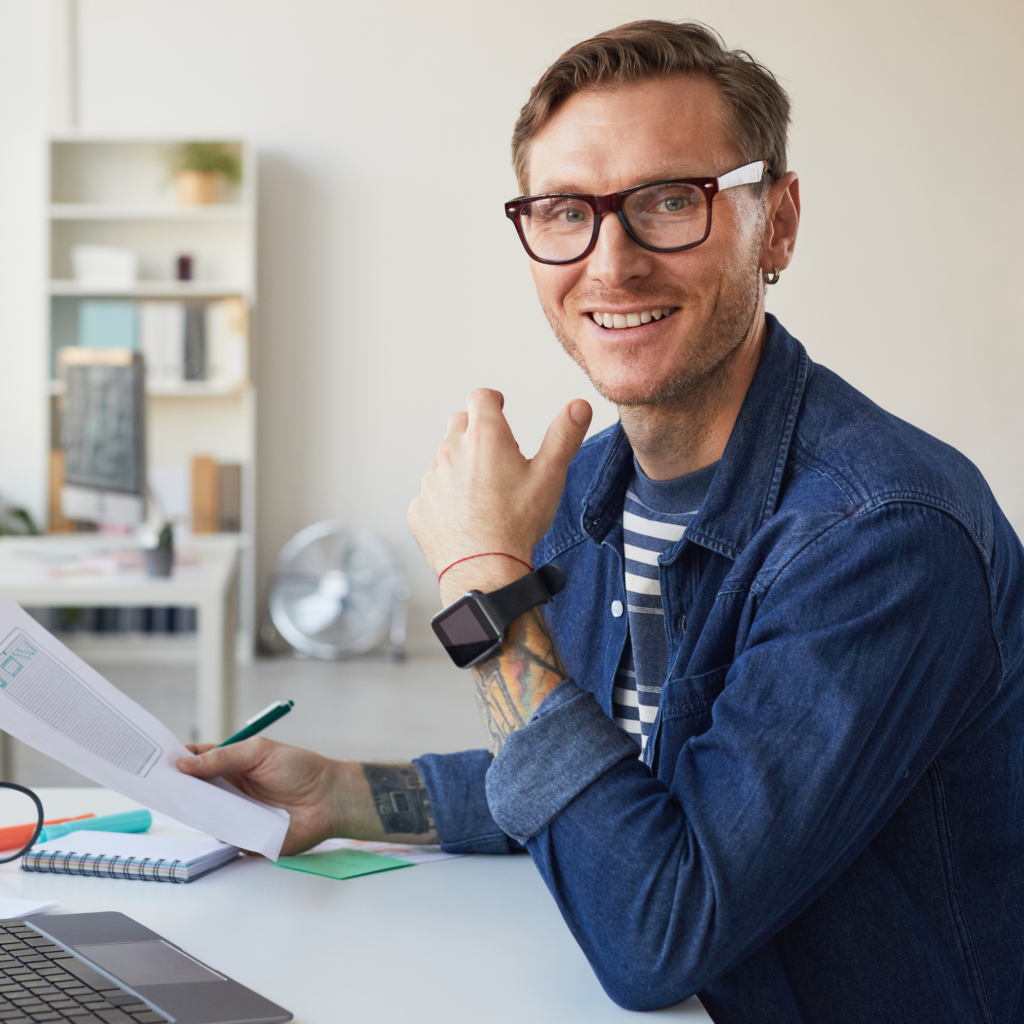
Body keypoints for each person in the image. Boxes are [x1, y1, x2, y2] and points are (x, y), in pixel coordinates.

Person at [179, 21, 1024, 1023]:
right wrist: (347, 794)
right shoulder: (583, 493)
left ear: (778, 223)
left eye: (670, 200)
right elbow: (614, 778)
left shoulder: (880, 537)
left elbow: (655, 929)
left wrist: (482, 578)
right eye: (565, 211)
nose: (610, 262)